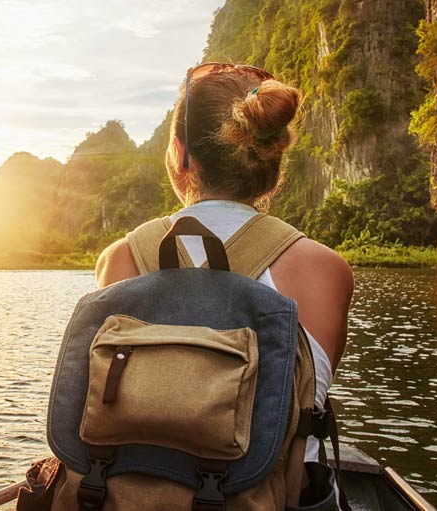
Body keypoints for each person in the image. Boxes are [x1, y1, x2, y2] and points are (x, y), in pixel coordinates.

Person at [94, 61, 353, 472]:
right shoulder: (326, 270)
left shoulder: (121, 259)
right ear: (273, 161)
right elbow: (311, 398)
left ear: (180, 155)